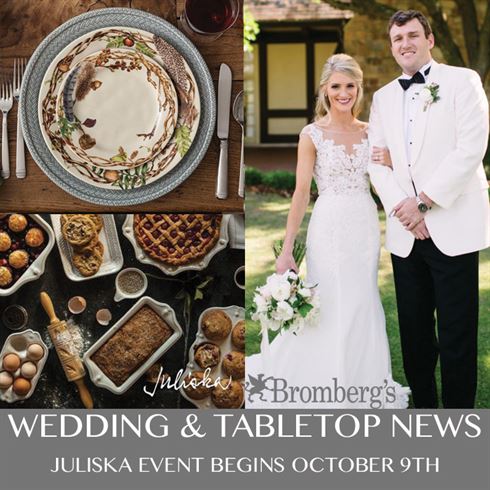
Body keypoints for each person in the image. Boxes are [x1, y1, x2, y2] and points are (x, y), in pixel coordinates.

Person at [246, 54, 409, 409]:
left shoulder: (371, 133)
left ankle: (363, 380)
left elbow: (389, 178)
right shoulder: (312, 134)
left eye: (350, 86)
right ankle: (319, 378)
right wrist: (287, 250)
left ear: (358, 89)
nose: (343, 93)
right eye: (336, 86)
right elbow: (302, 192)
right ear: (325, 90)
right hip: (328, 225)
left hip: (365, 224)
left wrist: (395, 163)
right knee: (328, 299)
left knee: (362, 298)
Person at [368, 10, 489, 408]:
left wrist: (423, 203)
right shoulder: (383, 97)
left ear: (430, 40)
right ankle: (424, 412)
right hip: (407, 235)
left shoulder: (462, 81)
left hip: (451, 226)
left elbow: (470, 148)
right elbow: (376, 162)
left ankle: (458, 422)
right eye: (398, 37)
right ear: (392, 46)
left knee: (457, 335)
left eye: (413, 35)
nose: (405, 43)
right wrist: (404, 210)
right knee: (415, 336)